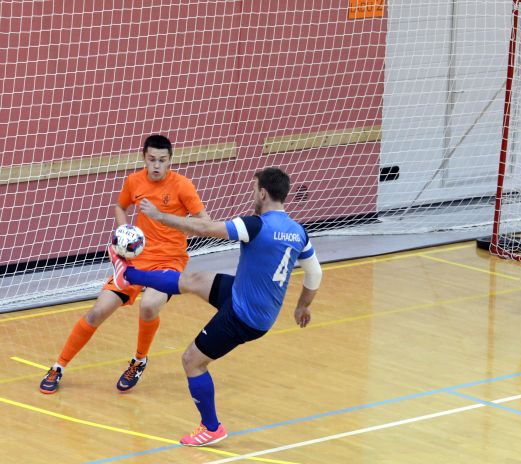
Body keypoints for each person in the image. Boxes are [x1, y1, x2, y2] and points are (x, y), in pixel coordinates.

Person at [108, 167, 322, 446]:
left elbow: (205, 228)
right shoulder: (298, 231)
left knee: (191, 361)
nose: (252, 195)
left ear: (263, 193)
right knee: (195, 279)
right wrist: (302, 306)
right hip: (247, 296)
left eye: (253, 189)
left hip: (244, 316)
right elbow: (315, 273)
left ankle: (211, 427)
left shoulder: (256, 225)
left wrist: (159, 216)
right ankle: (129, 275)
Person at [39, 135, 207, 394]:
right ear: (144, 158)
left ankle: (139, 360)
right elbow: (120, 206)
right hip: (134, 261)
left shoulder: (183, 186)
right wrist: (124, 233)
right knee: (97, 311)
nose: (156, 165)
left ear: (170, 161)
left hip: (169, 261)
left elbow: (205, 222)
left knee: (149, 306)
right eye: (152, 159)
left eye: (162, 160)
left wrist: (169, 220)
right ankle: (58, 366)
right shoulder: (134, 181)